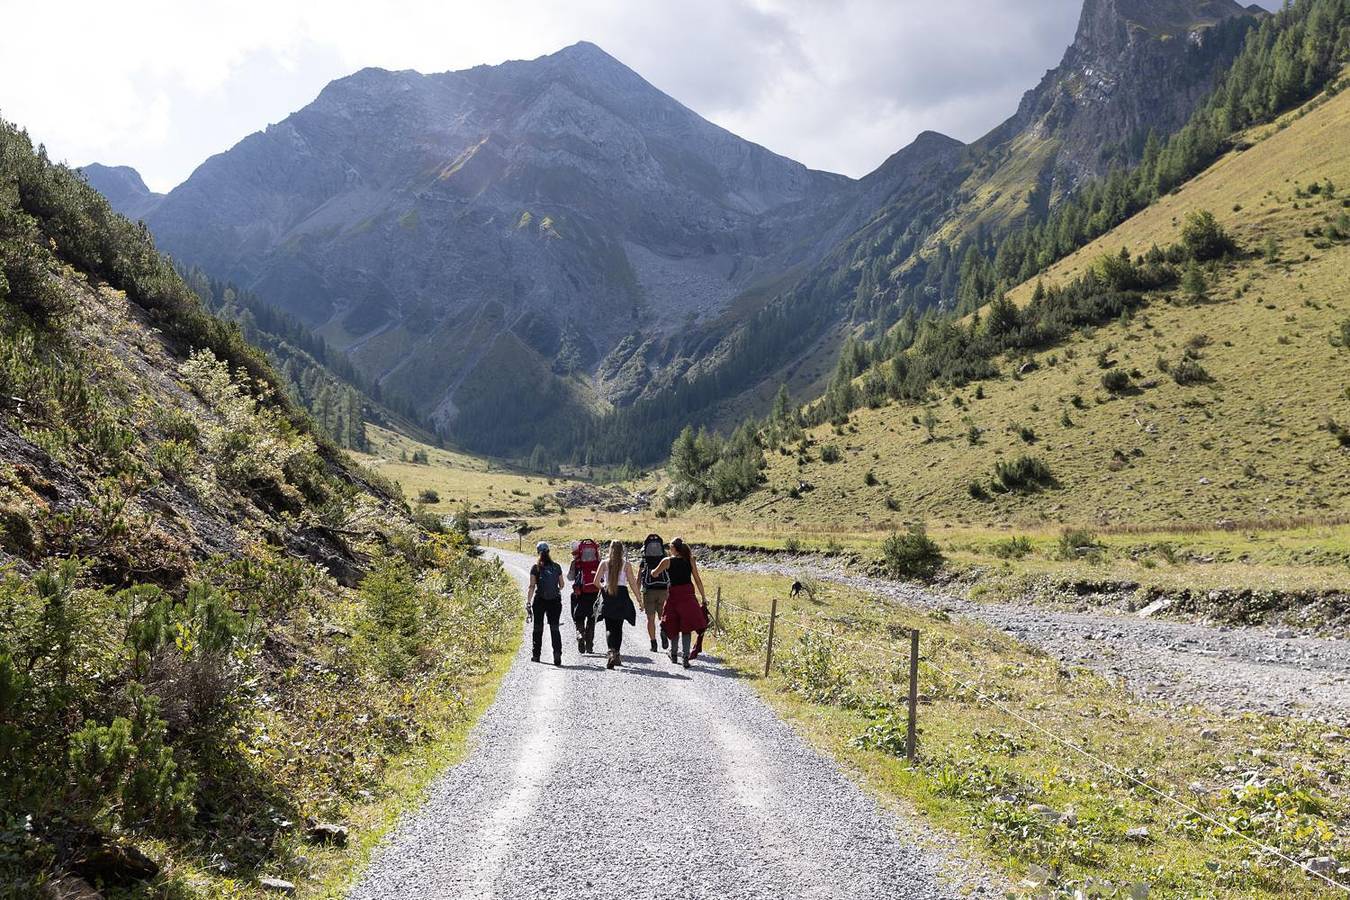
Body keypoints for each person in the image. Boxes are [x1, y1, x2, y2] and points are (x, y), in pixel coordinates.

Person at [649, 537, 707, 669]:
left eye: (670, 547)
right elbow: (697, 580)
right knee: (687, 626)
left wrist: (652, 571)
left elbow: (655, 574)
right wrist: (703, 597)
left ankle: (674, 654)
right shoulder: (690, 560)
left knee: (673, 623)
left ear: (674, 549)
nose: (669, 550)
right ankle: (685, 657)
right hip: (688, 594)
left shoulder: (667, 561)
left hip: (674, 595)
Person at [527, 541, 564, 666]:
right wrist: (555, 590)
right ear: (549, 552)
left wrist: (528, 602)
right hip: (555, 601)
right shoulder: (557, 566)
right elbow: (562, 585)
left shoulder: (535, 568)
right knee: (555, 628)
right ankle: (557, 654)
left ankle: (536, 655)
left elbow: (532, 586)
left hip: (540, 601)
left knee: (538, 628)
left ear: (538, 552)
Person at [567, 539, 601, 654]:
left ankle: (580, 634)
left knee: (579, 617)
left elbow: (570, 577)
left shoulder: (576, 562)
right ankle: (589, 646)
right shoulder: (598, 561)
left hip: (580, 593)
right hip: (595, 593)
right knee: (591, 619)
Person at [637, 533, 670, 652]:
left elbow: (638, 579)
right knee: (663, 617)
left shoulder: (644, 561)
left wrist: (638, 597)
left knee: (650, 619)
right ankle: (663, 631)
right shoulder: (664, 559)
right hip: (663, 590)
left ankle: (653, 643)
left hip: (649, 591)